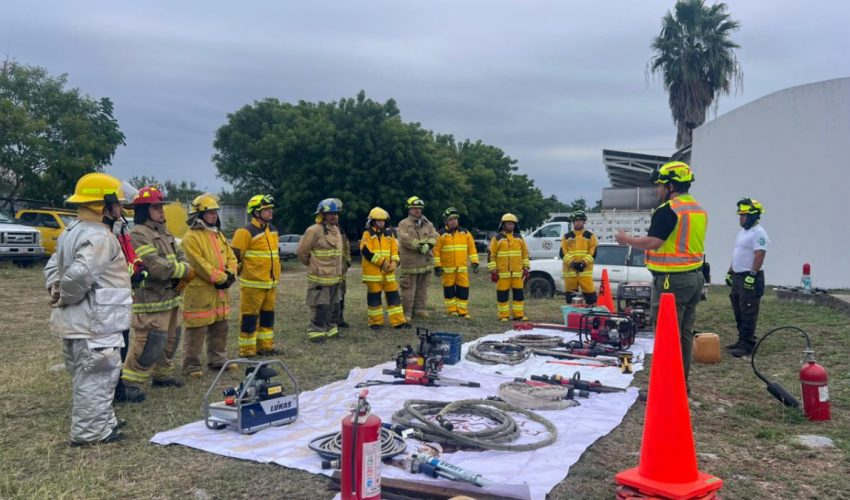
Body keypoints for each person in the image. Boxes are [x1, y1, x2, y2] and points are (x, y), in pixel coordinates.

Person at [44, 173, 132, 445]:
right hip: (96, 321)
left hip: (82, 321)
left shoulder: (72, 230)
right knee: (97, 375)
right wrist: (67, 296)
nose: (121, 208)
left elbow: (52, 267)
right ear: (103, 204)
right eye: (116, 203)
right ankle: (91, 434)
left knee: (92, 375)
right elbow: (80, 274)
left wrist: (56, 290)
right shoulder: (99, 236)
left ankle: (103, 422)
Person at [615, 161, 707, 383]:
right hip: (694, 278)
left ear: (671, 186)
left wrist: (626, 240)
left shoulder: (669, 210)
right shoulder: (697, 209)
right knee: (684, 335)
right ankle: (680, 383)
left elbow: (654, 242)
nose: (658, 190)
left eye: (660, 185)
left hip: (670, 281)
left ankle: (666, 387)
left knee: (666, 336)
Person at [119, 186, 192, 401]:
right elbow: (155, 267)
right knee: (149, 341)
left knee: (171, 338)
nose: (162, 211)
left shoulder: (164, 231)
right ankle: (131, 382)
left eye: (162, 206)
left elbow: (181, 255)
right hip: (150, 299)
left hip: (170, 297)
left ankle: (162, 375)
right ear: (143, 210)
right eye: (156, 207)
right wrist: (183, 271)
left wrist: (183, 267)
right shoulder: (138, 234)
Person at [181, 194, 238, 377]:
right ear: (199, 215)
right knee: (196, 329)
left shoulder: (218, 234)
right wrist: (221, 278)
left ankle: (218, 361)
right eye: (210, 212)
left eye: (215, 212)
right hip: (201, 290)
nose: (214, 216)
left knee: (221, 326)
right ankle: (192, 366)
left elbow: (231, 257)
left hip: (219, 291)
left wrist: (231, 273)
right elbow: (199, 264)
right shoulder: (191, 238)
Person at [231, 194, 281, 357]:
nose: (270, 212)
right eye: (266, 209)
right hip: (253, 285)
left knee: (267, 317)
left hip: (270, 284)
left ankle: (266, 347)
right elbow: (235, 257)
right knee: (249, 319)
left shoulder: (273, 231)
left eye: (270, 209)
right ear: (255, 212)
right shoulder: (245, 232)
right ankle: (247, 351)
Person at [726, 198, 769, 358]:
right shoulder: (743, 233)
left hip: (750, 277)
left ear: (752, 216)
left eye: (744, 215)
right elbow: (738, 254)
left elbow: (760, 254)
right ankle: (741, 339)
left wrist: (752, 274)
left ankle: (747, 344)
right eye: (740, 215)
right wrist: (730, 271)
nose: (741, 218)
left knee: (748, 310)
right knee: (738, 308)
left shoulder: (759, 233)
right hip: (738, 277)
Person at [297, 198, 345, 341]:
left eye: (336, 213)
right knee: (320, 306)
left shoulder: (336, 230)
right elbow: (302, 252)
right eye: (330, 213)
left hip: (335, 277)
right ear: (322, 214)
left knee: (334, 305)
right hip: (319, 278)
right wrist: (314, 266)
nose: (334, 216)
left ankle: (331, 330)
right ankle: (316, 333)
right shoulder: (313, 230)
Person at [360, 207, 409, 329]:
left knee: (394, 298)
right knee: (374, 300)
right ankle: (376, 322)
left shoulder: (390, 234)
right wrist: (383, 263)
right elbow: (366, 252)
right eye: (378, 221)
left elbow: (395, 250)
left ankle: (399, 322)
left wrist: (394, 263)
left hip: (389, 273)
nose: (381, 223)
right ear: (372, 221)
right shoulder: (367, 234)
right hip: (373, 274)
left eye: (383, 221)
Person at [397, 196, 439, 321]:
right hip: (410, 263)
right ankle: (407, 313)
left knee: (422, 288)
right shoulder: (403, 224)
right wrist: (420, 246)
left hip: (425, 262)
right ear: (409, 209)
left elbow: (434, 235)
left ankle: (420, 309)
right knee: (408, 289)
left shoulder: (428, 223)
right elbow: (405, 239)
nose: (417, 211)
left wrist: (429, 244)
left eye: (419, 208)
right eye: (414, 208)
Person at [433, 207, 479, 318]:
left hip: (462, 268)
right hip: (447, 269)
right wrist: (437, 267)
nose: (453, 221)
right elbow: (436, 251)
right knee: (449, 290)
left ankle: (463, 311)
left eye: (455, 219)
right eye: (450, 219)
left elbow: (472, 248)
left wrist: (475, 262)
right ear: (446, 221)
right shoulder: (440, 234)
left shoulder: (465, 233)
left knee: (463, 289)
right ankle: (452, 310)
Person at [487, 213, 530, 321]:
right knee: (502, 296)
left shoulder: (519, 238)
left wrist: (526, 267)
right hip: (502, 273)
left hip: (517, 273)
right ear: (503, 225)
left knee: (519, 296)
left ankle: (518, 315)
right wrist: (493, 270)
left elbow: (525, 253)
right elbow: (491, 255)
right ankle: (503, 316)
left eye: (512, 224)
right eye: (508, 224)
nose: (511, 226)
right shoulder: (497, 238)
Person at [560, 210, 599, 305]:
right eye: (576, 220)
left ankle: (590, 316)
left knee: (591, 296)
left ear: (584, 221)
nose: (578, 222)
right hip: (570, 272)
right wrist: (573, 264)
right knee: (571, 298)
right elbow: (563, 253)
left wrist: (583, 263)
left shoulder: (590, 236)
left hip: (585, 272)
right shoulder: (566, 236)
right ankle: (572, 316)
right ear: (573, 222)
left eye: (580, 220)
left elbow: (593, 253)